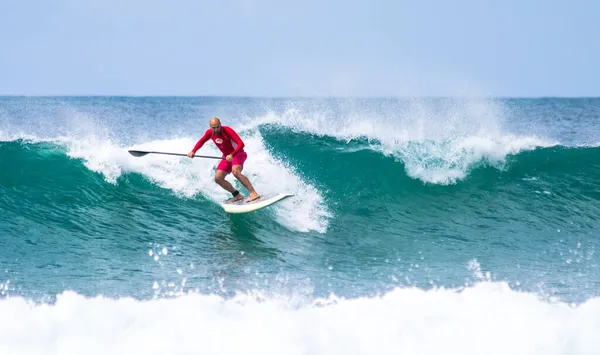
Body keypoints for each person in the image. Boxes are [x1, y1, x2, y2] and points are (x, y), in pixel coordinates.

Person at [187, 117, 260, 203]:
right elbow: (201, 141)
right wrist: (193, 151)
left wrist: (232, 155)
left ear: (220, 125)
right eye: (213, 127)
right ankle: (237, 195)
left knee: (235, 172)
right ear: (210, 127)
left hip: (238, 154)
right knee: (218, 178)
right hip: (226, 157)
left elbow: (241, 144)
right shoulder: (209, 133)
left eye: (218, 127)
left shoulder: (227, 130)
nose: (216, 129)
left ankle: (253, 193)